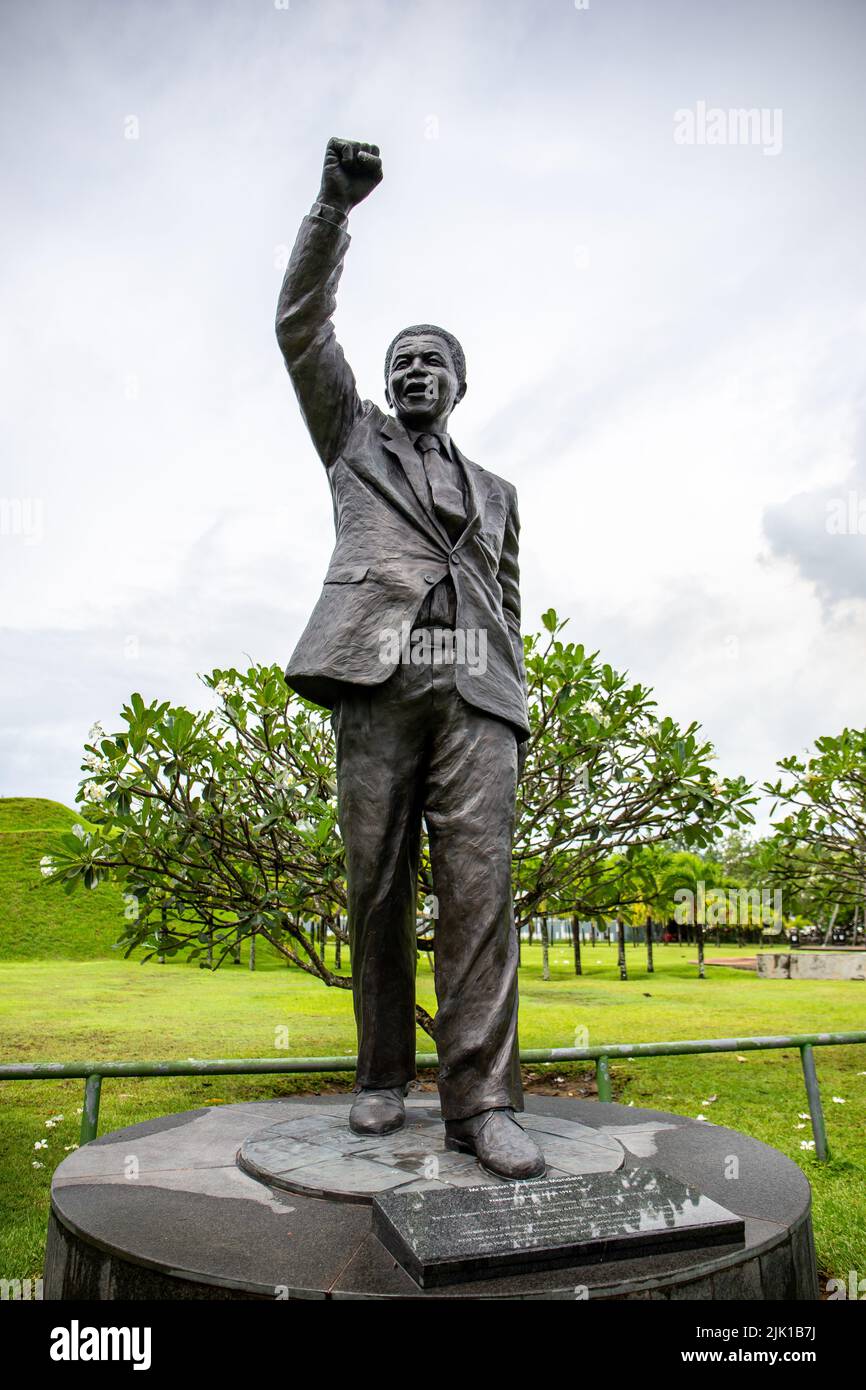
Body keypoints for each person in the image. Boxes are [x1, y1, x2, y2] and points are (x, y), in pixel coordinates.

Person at [275, 138, 543, 1180]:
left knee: (479, 893)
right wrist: (331, 209)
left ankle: (482, 1106)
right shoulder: (352, 439)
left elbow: (508, 601)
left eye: (430, 362)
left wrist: (512, 696)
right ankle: (381, 1074)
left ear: (460, 384)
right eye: (399, 364)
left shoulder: (500, 493)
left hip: (474, 691)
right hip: (378, 678)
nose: (412, 372)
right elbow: (300, 328)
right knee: (374, 884)